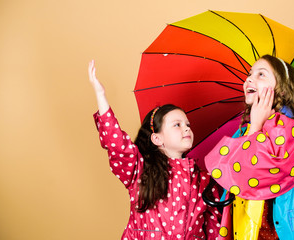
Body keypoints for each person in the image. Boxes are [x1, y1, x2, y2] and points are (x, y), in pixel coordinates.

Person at [88, 60, 221, 239]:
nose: (187, 128)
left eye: (188, 124)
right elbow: (118, 145)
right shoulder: (141, 170)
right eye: (177, 125)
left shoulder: (204, 180)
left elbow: (214, 228)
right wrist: (101, 96)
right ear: (157, 138)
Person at [204, 55, 294, 240]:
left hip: (275, 234)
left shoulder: (290, 129)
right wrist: (254, 128)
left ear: (281, 91)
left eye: (261, 74)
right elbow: (228, 174)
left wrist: (256, 128)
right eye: (250, 74)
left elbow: (258, 171)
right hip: (245, 229)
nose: (249, 78)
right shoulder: (245, 129)